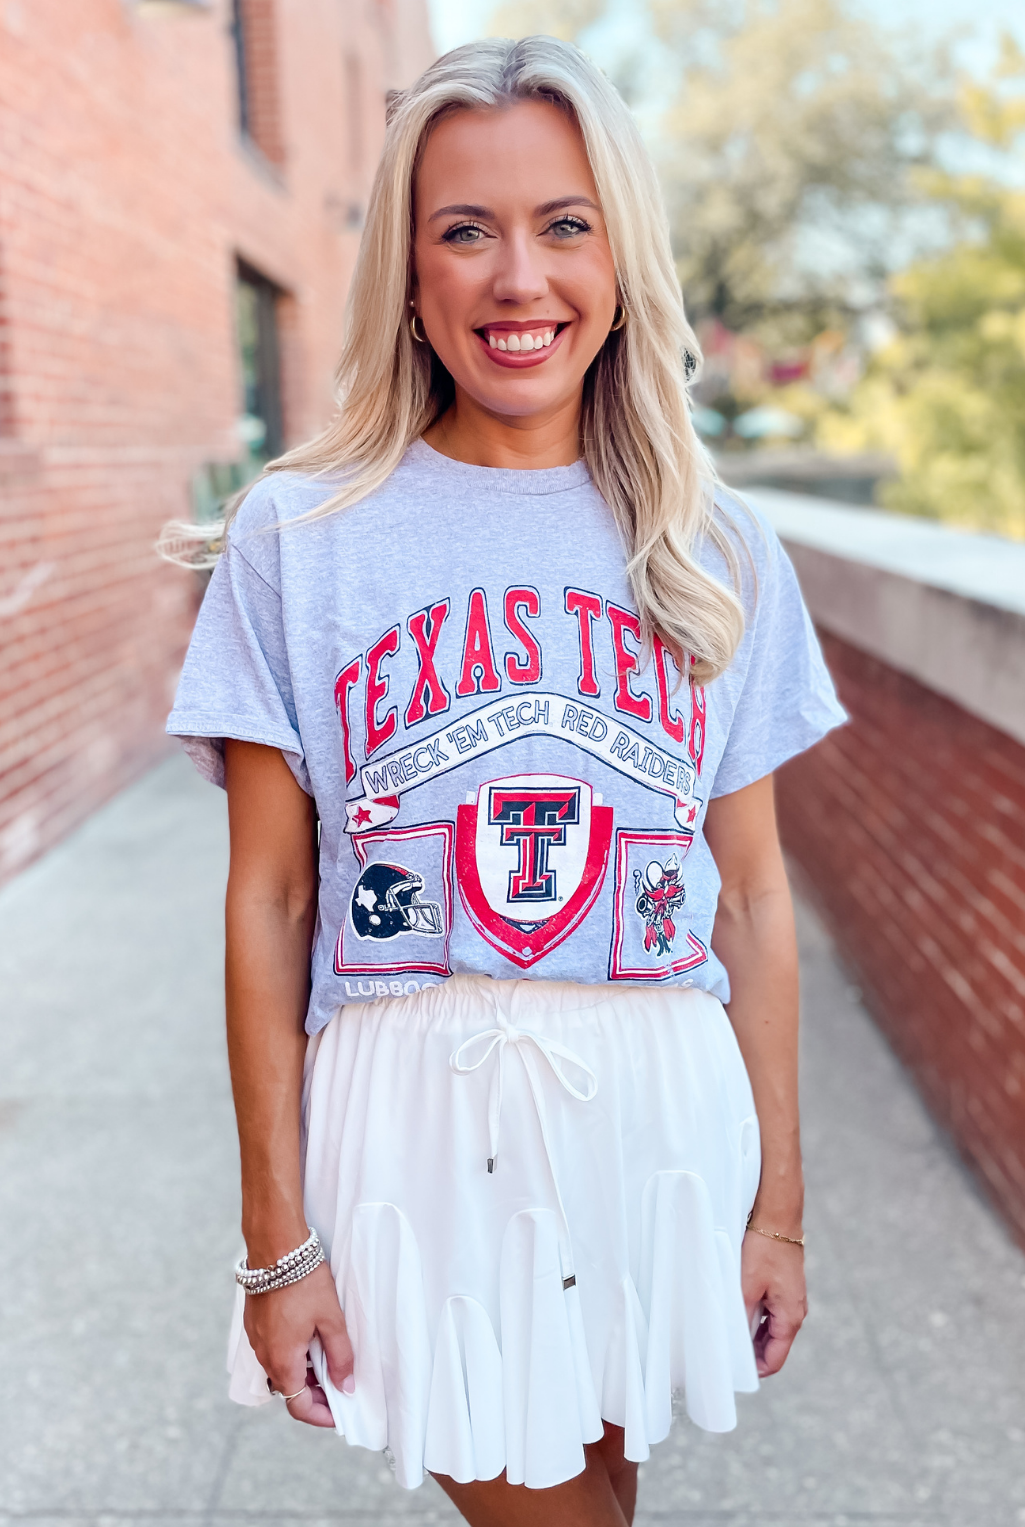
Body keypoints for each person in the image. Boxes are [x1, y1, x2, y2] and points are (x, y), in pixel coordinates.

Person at [166, 35, 845, 1527]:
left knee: (604, 1486)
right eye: (464, 230)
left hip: (658, 1107)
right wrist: (276, 1234)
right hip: (414, 1113)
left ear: (621, 254)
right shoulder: (302, 532)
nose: (516, 278)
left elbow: (755, 894)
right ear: (407, 276)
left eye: (564, 224)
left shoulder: (714, 546)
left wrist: (778, 1206)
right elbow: (272, 898)